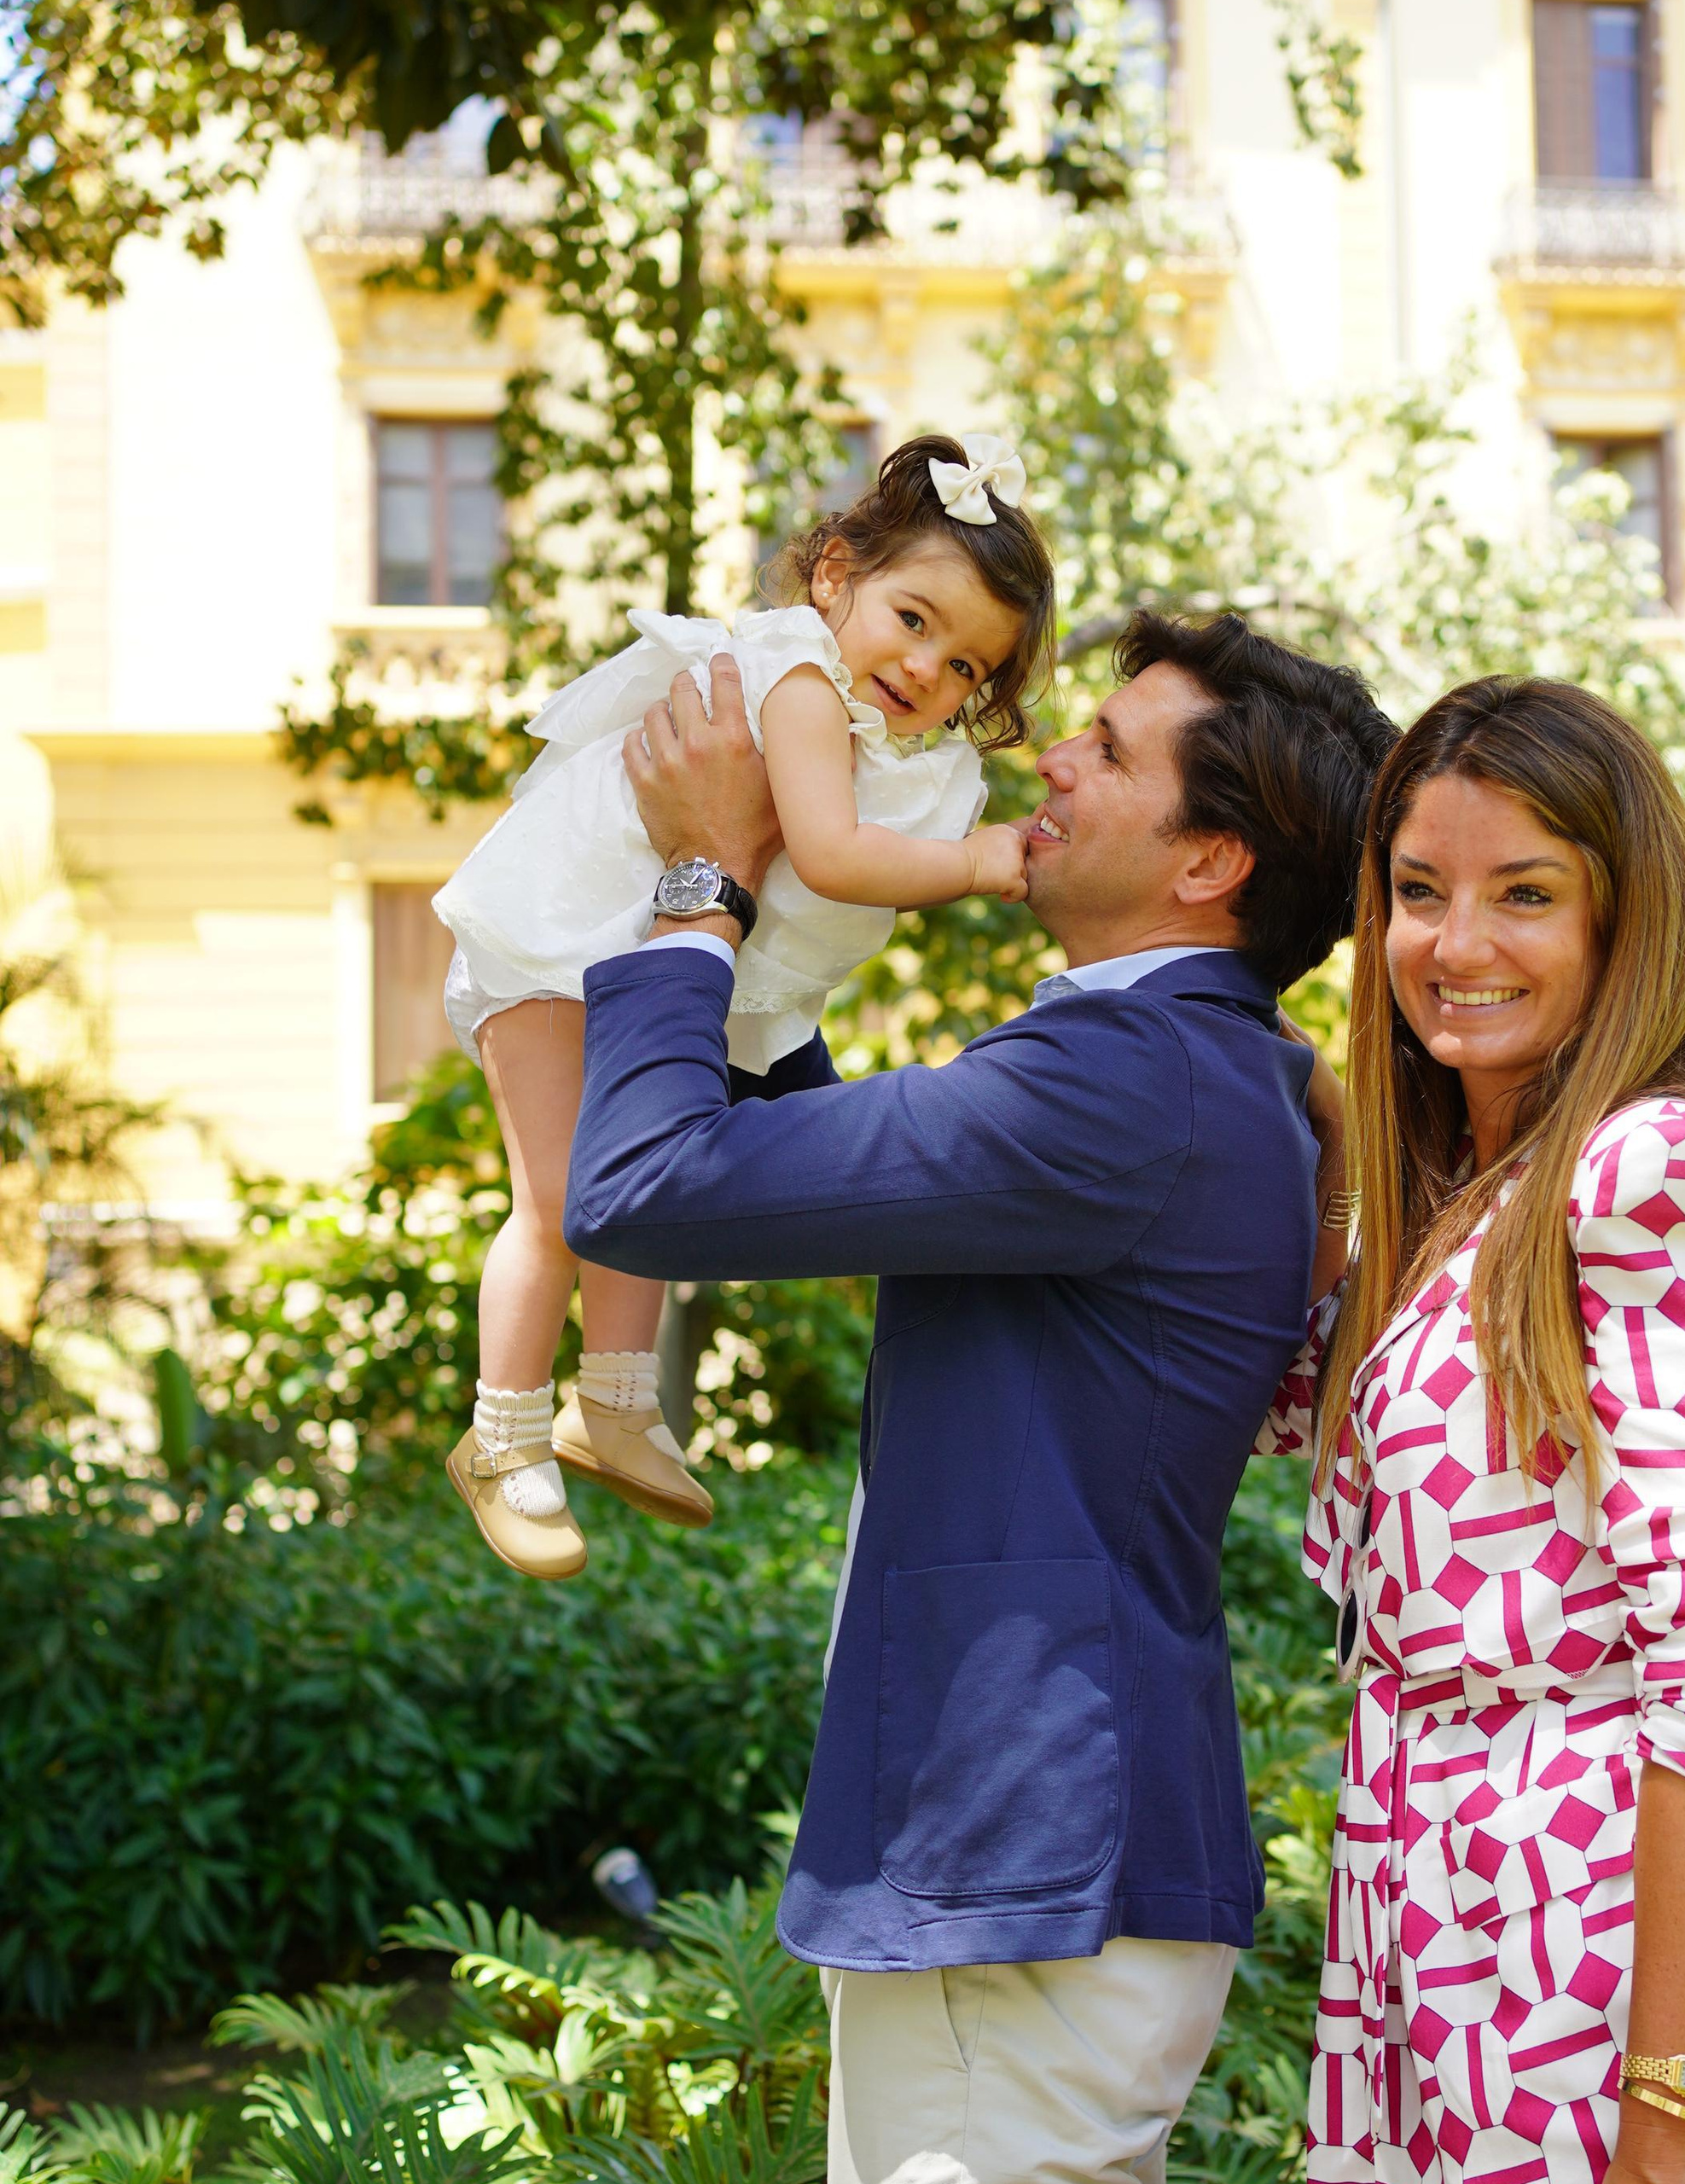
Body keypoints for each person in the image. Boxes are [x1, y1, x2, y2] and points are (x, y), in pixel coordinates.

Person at [563, 610, 1392, 2182]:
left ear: (1211, 862)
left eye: (1110, 749)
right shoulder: (1177, 1064)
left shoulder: (1134, 1078)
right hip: (1035, 1880)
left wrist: (701, 881)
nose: (1052, 759)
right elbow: (815, 1169)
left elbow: (647, 1186)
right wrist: (773, 904)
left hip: (1025, 1875)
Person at [1258, 677, 1685, 2181]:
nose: (1457, 947)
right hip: (1428, 1932)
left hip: (1588, 1967)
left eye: (1525, 894)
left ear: (1619, 921)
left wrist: (1672, 2107)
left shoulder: (1651, 1167)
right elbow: (1286, 1402)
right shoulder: (1470, 1194)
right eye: (1418, 893)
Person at [430, 433, 1055, 1581]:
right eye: (914, 619)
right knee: (562, 1197)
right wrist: (976, 862)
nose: (929, 669)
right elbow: (828, 856)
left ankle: (616, 1402)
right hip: (559, 930)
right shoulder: (801, 679)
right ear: (835, 577)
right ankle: (502, 1431)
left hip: (628, 946)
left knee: (630, 1188)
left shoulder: (859, 720)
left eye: (968, 666)